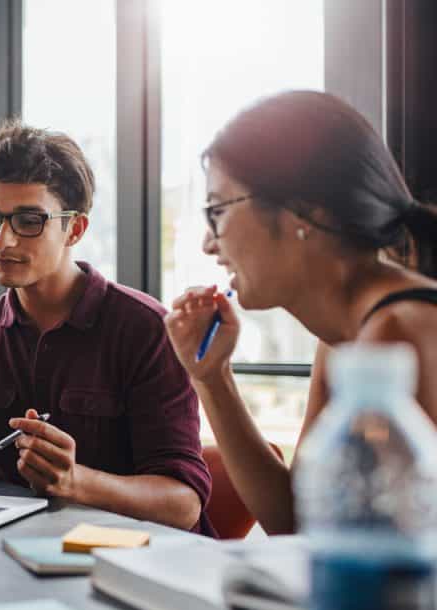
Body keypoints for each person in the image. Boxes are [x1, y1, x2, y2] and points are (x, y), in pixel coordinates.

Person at [164, 90, 437, 535]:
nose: (209, 244)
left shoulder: (399, 331)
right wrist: (210, 377)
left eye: (217, 211)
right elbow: (296, 522)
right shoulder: (345, 336)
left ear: (302, 214)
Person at [0, 121, 214, 535]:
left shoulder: (146, 329)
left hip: (140, 564)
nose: (2, 242)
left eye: (28, 221)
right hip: (14, 559)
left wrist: (77, 482)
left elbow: (184, 505)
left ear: (75, 229)